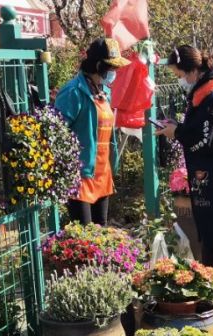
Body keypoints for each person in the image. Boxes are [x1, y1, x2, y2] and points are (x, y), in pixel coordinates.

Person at [159, 45, 213, 326]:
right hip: (210, 182)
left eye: (179, 74)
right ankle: (206, 298)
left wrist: (178, 133)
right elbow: (200, 131)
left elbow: (207, 141)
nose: (180, 80)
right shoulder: (206, 96)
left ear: (194, 71)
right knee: (209, 241)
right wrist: (179, 128)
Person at [55, 38, 130, 226]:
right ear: (98, 66)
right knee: (85, 233)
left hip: (103, 172)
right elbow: (57, 131)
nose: (114, 73)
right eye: (111, 68)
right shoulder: (73, 92)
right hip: (81, 175)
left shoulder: (104, 91)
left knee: (101, 228)